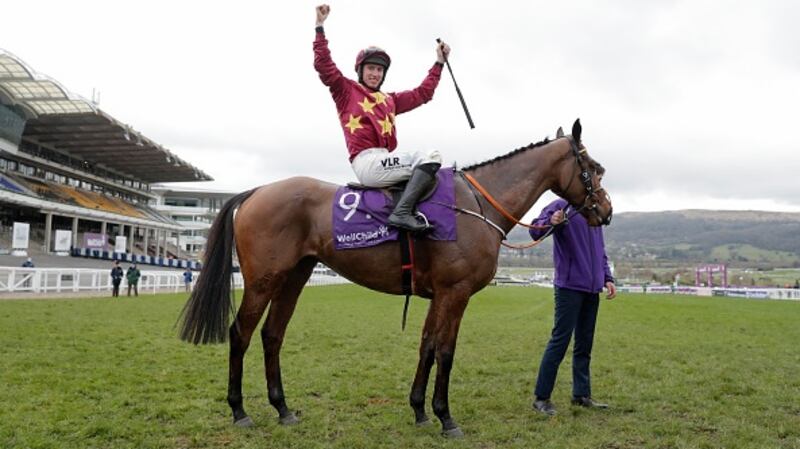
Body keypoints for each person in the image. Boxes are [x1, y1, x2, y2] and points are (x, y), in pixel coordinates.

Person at [313, 4, 451, 232]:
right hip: (367, 163)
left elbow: (423, 94)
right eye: (371, 68)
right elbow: (324, 65)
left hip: (384, 160)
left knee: (428, 163)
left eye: (379, 70)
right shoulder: (346, 90)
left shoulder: (390, 100)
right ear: (360, 70)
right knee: (427, 158)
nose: (375, 74)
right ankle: (401, 214)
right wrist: (320, 27)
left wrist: (438, 63)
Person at [528, 198, 617, 416]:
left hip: (592, 288)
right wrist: (552, 220)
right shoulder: (562, 204)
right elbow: (535, 230)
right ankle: (541, 398)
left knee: (584, 345)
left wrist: (607, 277)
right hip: (569, 287)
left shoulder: (594, 209)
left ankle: (581, 395)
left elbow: (600, 250)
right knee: (560, 341)